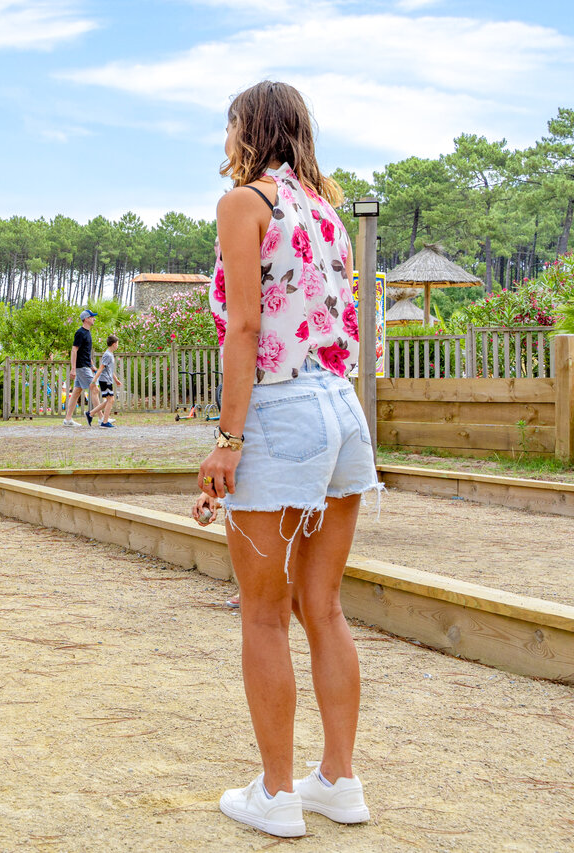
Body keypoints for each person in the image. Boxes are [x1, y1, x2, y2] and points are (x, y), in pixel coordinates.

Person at [198, 81, 379, 838]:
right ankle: (337, 780)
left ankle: (277, 793)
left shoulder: (248, 204)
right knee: (324, 606)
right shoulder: (327, 211)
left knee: (264, 612)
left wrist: (228, 440)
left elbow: (245, 328)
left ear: (250, 129)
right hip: (341, 407)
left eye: (232, 124)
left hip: (281, 407)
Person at [62, 309, 97, 427]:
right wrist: (73, 368)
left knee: (76, 391)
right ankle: (102, 418)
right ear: (86, 319)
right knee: (94, 389)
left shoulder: (88, 333)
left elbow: (85, 352)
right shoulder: (80, 333)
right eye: (92, 317)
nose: (94, 319)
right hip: (81, 367)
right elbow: (74, 350)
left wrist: (92, 365)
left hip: (85, 365)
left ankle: (67, 419)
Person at [89, 333, 122, 427]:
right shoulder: (107, 355)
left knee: (110, 400)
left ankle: (91, 413)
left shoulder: (110, 354)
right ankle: (104, 422)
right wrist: (94, 381)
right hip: (105, 380)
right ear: (114, 344)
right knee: (110, 400)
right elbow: (101, 368)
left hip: (108, 380)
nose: (117, 345)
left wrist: (116, 380)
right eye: (117, 343)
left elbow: (110, 369)